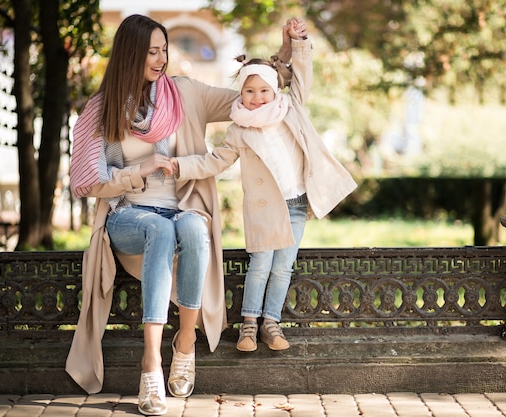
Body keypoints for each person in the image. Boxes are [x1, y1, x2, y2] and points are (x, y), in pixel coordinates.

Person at [65, 14, 295, 416]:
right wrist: (139, 170)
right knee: (158, 227)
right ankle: (151, 364)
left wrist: (286, 53)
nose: (161, 59)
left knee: (190, 226)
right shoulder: (102, 109)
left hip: (181, 208)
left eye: (164, 49)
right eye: (151, 51)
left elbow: (252, 93)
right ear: (130, 54)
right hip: (128, 215)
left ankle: (184, 343)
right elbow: (91, 181)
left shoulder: (185, 93)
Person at [169, 18, 357, 353]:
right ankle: (249, 326)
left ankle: (272, 323)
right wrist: (178, 165)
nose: (257, 98)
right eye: (249, 91)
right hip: (264, 208)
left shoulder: (290, 108)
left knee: (283, 266)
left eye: (264, 90)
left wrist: (298, 42)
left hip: (297, 203)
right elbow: (215, 161)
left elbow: (302, 74)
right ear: (240, 93)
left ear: (275, 90)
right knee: (260, 266)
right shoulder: (239, 129)